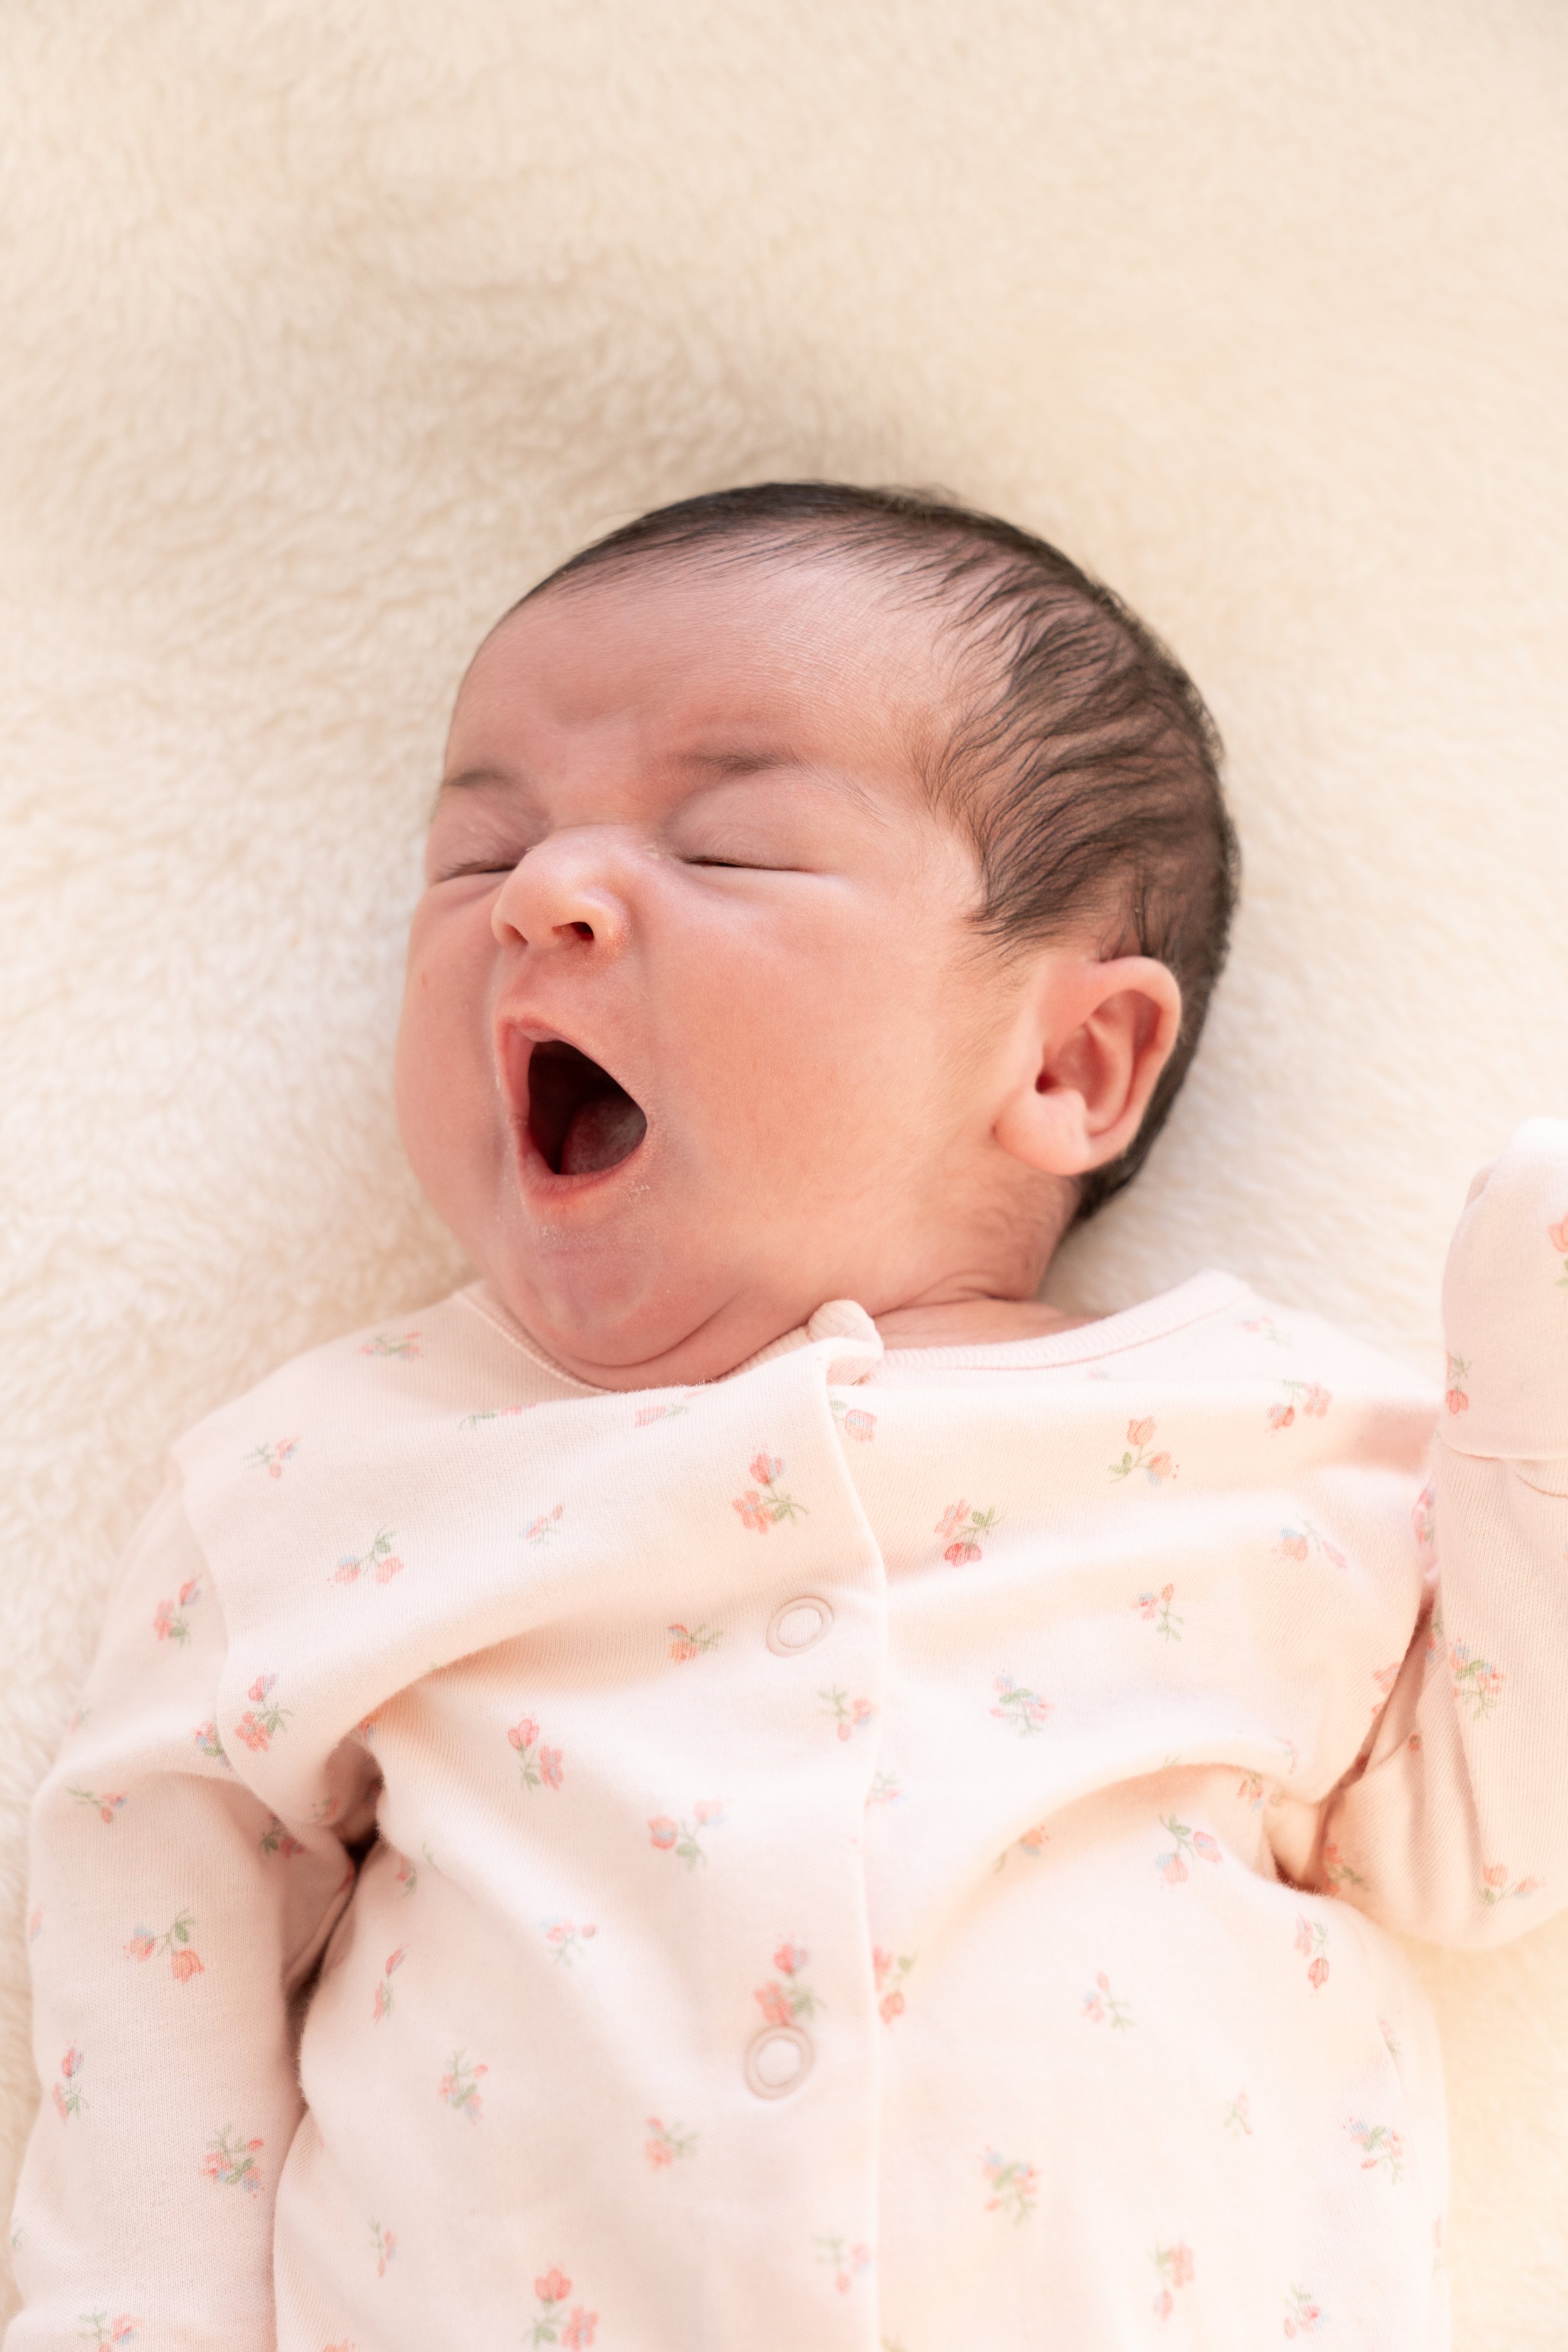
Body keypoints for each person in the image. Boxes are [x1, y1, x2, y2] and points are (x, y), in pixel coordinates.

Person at [9, 484, 1565, 2350]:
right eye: (474, 852)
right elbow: (151, 1920)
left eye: (729, 850)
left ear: (1071, 1062)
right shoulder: (327, 1476)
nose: (540, 897)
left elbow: (1482, 1839)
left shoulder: (1264, 1434)